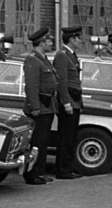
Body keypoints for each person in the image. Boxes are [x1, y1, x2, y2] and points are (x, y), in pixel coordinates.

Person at [20, 28, 57, 185]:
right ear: (42, 43)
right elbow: (32, 87)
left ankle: (39, 172)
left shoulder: (43, 59)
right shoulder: (32, 60)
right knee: (36, 143)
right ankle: (32, 173)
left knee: (42, 142)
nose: (51, 43)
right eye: (49, 41)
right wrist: (35, 107)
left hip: (47, 106)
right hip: (39, 108)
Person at [52, 26, 87, 179]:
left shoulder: (71, 55)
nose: (80, 41)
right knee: (65, 137)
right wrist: (66, 102)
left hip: (75, 101)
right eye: (78, 38)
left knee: (71, 137)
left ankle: (69, 166)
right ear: (72, 39)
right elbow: (62, 82)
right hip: (69, 103)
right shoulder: (62, 56)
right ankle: (63, 169)